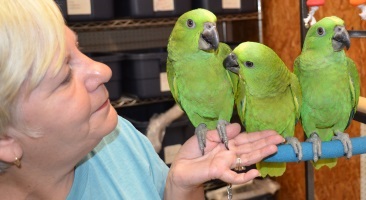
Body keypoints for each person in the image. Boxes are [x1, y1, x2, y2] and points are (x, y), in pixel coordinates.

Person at [0, 0, 284, 199]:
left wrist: (181, 186)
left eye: (79, 47)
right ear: (4, 140)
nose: (103, 70)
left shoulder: (120, 137)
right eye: (64, 76)